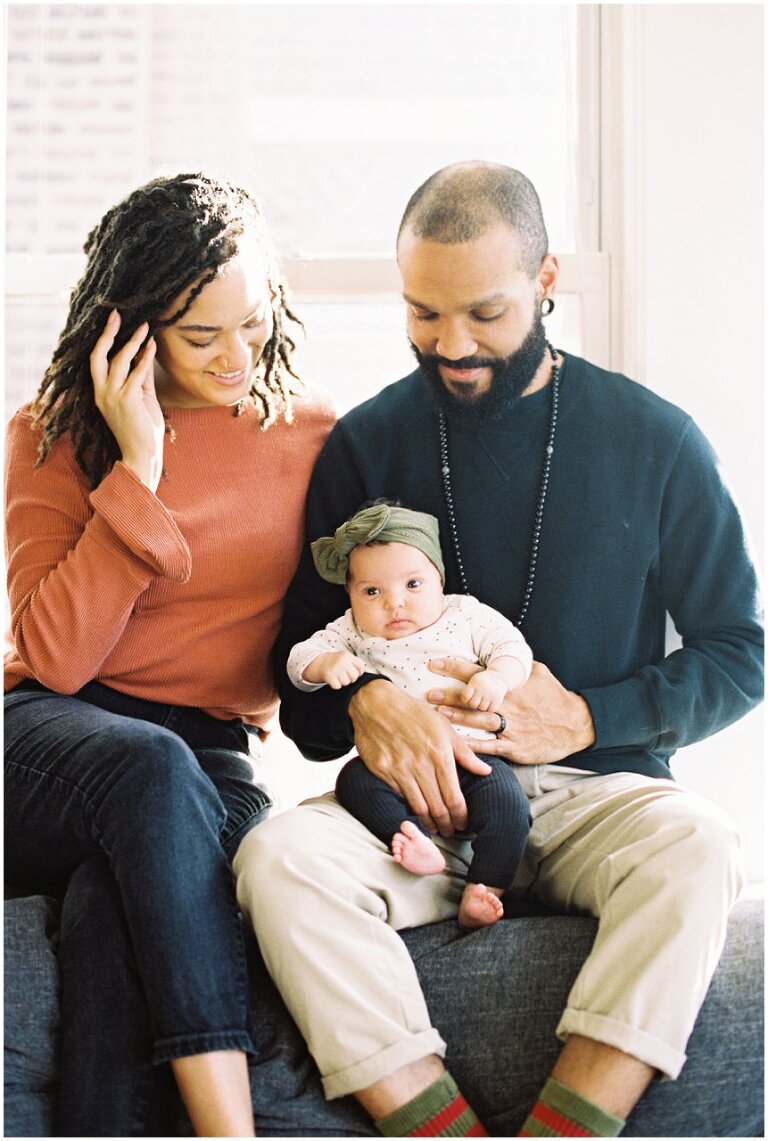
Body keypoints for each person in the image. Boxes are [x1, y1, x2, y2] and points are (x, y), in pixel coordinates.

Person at [234, 160, 764, 1138]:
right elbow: (299, 696)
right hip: (424, 811)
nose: (452, 343)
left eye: (484, 311)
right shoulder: (368, 444)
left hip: (598, 795)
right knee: (275, 858)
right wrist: (361, 704)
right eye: (423, 313)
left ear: (547, 280)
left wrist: (593, 713)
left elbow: (742, 655)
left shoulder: (656, 440)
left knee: (704, 845)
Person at [4, 172, 336, 1136]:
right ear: (131, 330)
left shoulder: (311, 436)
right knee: (147, 767)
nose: (238, 356)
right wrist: (138, 467)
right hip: (47, 743)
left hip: (213, 756)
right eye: (202, 336)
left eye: (254, 322)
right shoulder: (50, 436)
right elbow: (56, 656)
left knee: (117, 906)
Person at [288, 500, 533, 928]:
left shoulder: (464, 615)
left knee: (510, 805)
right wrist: (324, 665)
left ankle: (485, 887)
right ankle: (410, 838)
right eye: (372, 592)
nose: (393, 604)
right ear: (350, 595)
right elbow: (297, 661)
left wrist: (496, 678)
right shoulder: (350, 629)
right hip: (392, 768)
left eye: (413, 584)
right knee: (353, 782)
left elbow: (514, 649)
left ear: (440, 581)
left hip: (471, 758)